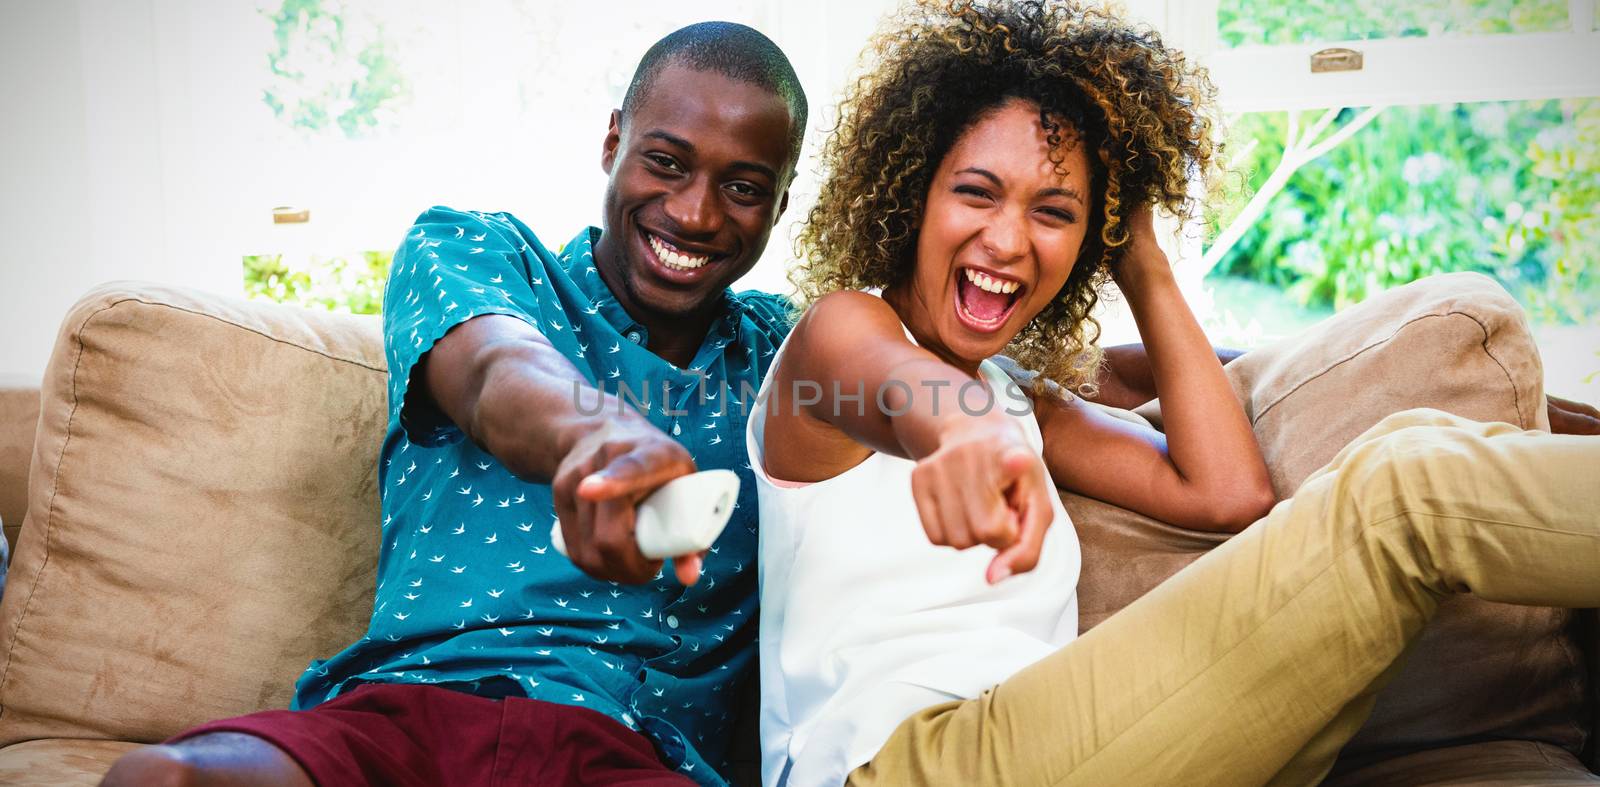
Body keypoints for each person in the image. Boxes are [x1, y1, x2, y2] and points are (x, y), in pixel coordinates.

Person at [749, 2, 1600, 786]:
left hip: (1057, 744)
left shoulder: (1024, 402)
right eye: (975, 191)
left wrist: (1141, 256)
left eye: (1055, 212)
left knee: (1406, 477)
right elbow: (903, 391)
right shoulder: (841, 333)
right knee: (1404, 493)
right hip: (905, 763)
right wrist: (965, 440)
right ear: (911, 196)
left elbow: (1227, 491)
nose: (1007, 240)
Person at [102, 21, 807, 787]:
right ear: (613, 143)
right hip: (413, 715)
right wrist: (595, 437)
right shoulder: (477, 252)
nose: (696, 214)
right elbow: (495, 368)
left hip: (632, 751)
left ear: (780, 201)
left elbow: (899, 364)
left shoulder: (786, 354)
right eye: (665, 163)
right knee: (161, 780)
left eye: (742, 188)